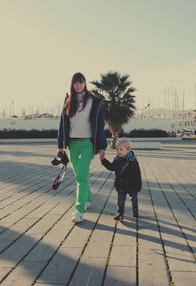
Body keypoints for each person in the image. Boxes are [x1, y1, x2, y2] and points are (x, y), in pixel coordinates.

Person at [57, 72, 107, 223]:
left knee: (81, 177)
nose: (78, 85)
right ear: (72, 85)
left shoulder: (94, 101)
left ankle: (78, 211)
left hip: (87, 144)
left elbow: (100, 125)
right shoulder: (68, 100)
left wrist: (102, 146)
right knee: (79, 175)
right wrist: (60, 146)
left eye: (81, 82)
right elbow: (62, 123)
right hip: (72, 144)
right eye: (75, 83)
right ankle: (88, 198)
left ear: (85, 83)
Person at [101, 138, 142, 221]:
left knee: (134, 199)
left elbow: (137, 174)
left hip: (132, 185)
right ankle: (120, 213)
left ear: (128, 150)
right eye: (117, 149)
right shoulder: (117, 160)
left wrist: (137, 186)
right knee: (120, 201)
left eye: (121, 149)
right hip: (121, 184)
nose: (119, 151)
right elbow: (111, 167)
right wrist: (103, 160)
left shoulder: (133, 161)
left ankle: (135, 210)